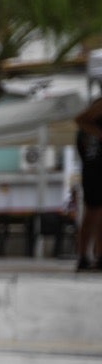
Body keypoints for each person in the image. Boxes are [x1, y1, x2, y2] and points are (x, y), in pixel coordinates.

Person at [74, 97, 102, 270]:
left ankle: (99, 255)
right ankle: (83, 255)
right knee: (93, 209)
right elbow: (80, 119)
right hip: (95, 161)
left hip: (95, 159)